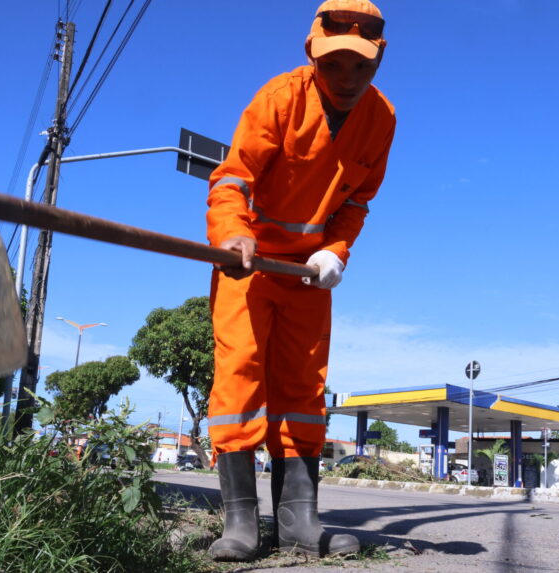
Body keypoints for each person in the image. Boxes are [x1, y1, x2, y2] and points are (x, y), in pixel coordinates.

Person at [204, 0, 395, 562]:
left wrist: (337, 251)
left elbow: (357, 202)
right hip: (252, 265)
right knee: (240, 377)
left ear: (380, 60)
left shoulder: (381, 119)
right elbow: (231, 179)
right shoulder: (278, 99)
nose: (348, 79)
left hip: (309, 275)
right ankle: (241, 522)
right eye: (336, 64)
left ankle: (298, 520)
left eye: (362, 66)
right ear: (311, 51)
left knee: (305, 390)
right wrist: (233, 236)